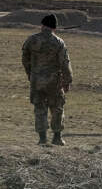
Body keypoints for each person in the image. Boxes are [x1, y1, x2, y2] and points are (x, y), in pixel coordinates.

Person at [22, 14, 73, 145]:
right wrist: (67, 81)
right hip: (54, 82)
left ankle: (42, 138)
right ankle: (57, 138)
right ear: (54, 28)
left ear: (42, 25)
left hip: (36, 81)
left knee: (39, 108)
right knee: (57, 108)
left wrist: (30, 74)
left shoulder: (31, 40)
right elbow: (65, 63)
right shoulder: (59, 42)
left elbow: (25, 59)